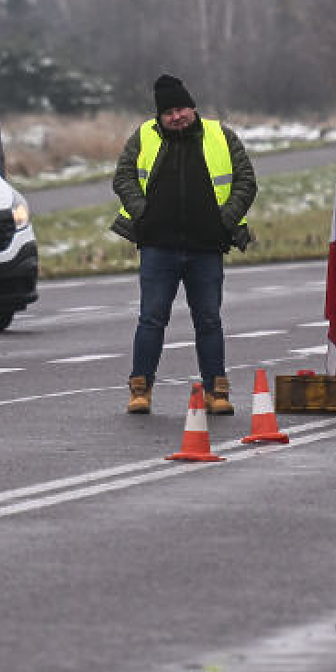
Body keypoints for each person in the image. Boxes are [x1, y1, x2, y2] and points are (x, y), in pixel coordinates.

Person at [111, 73, 255, 416]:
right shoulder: (143, 137)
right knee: (151, 319)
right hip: (158, 247)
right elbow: (123, 176)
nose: (176, 117)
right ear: (159, 117)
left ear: (193, 108)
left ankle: (216, 391)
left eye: (181, 109)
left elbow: (246, 181)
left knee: (208, 320)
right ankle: (140, 389)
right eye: (168, 112)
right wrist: (143, 213)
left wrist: (224, 220)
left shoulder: (221, 136)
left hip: (206, 247)